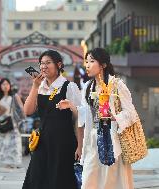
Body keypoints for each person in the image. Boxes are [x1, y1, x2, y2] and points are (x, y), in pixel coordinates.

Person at [22, 50, 83, 189]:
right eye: (41, 63)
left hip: (64, 143)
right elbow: (27, 111)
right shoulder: (40, 87)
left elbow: (80, 117)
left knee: (59, 180)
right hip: (42, 142)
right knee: (36, 178)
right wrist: (35, 86)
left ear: (59, 65)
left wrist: (80, 146)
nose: (43, 66)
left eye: (48, 63)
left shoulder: (69, 87)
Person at [76, 48, 134, 189]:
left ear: (103, 65)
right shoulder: (88, 87)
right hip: (92, 140)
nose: (87, 65)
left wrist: (116, 117)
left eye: (92, 61)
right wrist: (72, 107)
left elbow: (131, 113)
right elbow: (85, 115)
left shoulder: (116, 84)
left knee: (111, 182)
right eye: (86, 62)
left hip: (111, 140)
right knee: (89, 180)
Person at [0, 78, 25, 168]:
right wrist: (2, 110)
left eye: (7, 84)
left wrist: (19, 116)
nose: (5, 86)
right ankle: (6, 163)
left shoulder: (14, 96)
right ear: (0, 86)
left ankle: (15, 162)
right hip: (3, 123)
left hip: (13, 123)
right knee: (3, 143)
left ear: (10, 86)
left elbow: (22, 109)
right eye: (3, 84)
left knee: (14, 143)